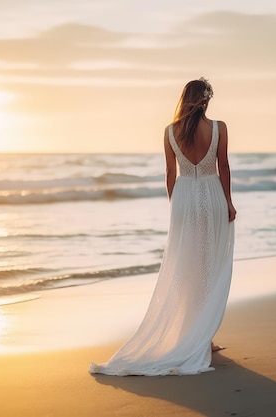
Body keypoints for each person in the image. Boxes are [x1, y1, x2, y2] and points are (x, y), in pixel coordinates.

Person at [89, 77, 236, 376]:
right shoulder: (219, 128)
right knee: (208, 265)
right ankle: (202, 338)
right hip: (211, 195)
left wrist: (176, 206)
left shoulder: (170, 132)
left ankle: (196, 335)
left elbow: (170, 173)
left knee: (187, 266)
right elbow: (224, 167)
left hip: (183, 198)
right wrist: (229, 203)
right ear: (206, 99)